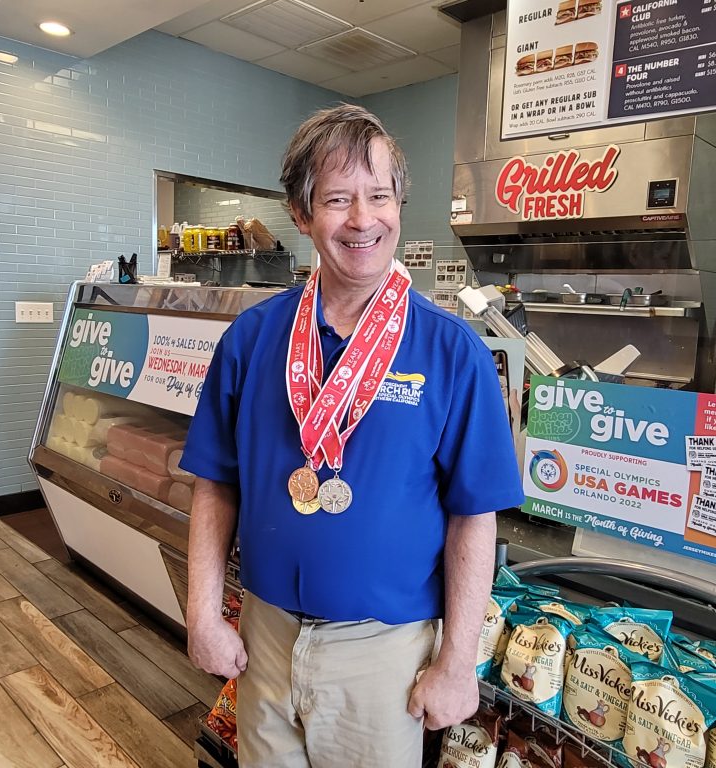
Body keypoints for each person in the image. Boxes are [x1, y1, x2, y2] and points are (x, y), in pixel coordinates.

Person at [180, 104, 523, 767]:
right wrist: (202, 615)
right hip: (265, 635)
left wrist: (456, 664)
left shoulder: (455, 353)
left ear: (399, 206)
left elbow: (473, 519)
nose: (364, 219)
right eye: (338, 199)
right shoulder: (252, 341)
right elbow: (214, 485)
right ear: (302, 215)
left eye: (379, 196)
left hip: (385, 655)